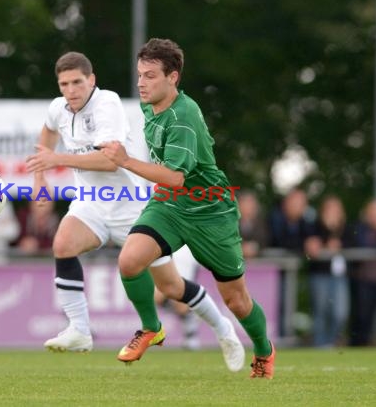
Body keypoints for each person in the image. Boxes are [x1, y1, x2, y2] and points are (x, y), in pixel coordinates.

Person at [26, 51, 244, 372]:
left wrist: (56, 161)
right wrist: (39, 179)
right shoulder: (58, 108)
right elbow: (47, 134)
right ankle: (80, 331)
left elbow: (108, 159)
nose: (71, 90)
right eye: (64, 84)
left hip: (132, 206)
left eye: (77, 82)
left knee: (171, 287)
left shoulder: (107, 104)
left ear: (92, 80)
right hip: (92, 201)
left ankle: (224, 330)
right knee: (63, 244)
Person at [99, 38, 274, 378]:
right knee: (130, 260)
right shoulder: (151, 106)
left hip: (210, 212)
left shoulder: (184, 116)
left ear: (173, 77)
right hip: (170, 205)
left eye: (150, 75)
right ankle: (152, 328)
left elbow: (176, 178)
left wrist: (125, 161)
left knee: (237, 300)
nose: (141, 83)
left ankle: (265, 351)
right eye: (139, 75)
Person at [304, 195, 351, 347]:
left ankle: (330, 341)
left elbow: (353, 243)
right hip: (320, 275)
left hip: (339, 276)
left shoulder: (346, 228)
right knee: (320, 311)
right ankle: (320, 344)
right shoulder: (314, 226)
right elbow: (309, 244)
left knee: (340, 313)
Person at [349, 199, 376, 346]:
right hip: (362, 278)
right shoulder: (360, 228)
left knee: (373, 313)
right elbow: (358, 244)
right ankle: (356, 343)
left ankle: (365, 342)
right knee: (360, 314)